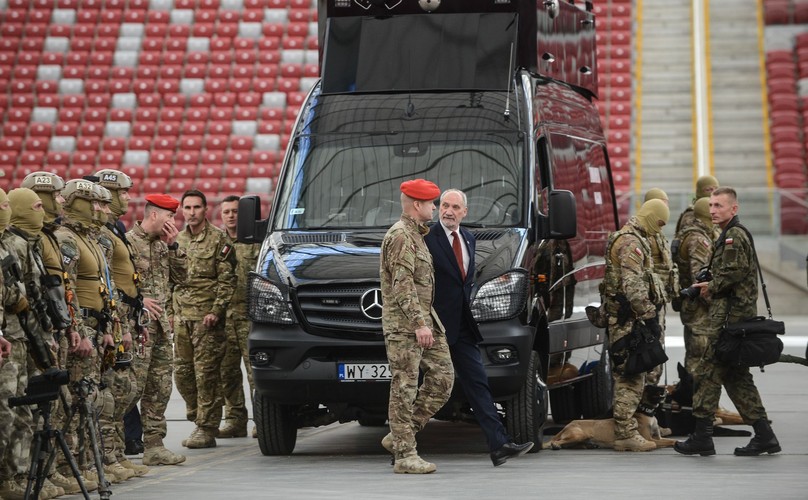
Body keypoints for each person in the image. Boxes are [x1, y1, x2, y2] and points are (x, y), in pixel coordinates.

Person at [423, 189, 533, 466]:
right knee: (424, 387)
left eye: (455, 207)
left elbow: (465, 285)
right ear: (437, 209)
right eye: (444, 205)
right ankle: (402, 446)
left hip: (462, 327)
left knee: (478, 383)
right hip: (434, 327)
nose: (448, 211)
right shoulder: (426, 239)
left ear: (464, 212)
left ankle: (499, 445)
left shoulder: (469, 238)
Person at [674, 187, 780, 457]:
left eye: (719, 205)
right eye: (710, 205)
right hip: (732, 317)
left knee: (708, 373)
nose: (712, 210)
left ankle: (702, 437)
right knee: (736, 377)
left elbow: (733, 272)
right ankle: (765, 436)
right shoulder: (729, 234)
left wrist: (709, 287)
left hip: (729, 319)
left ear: (734, 208)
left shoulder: (733, 236)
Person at [379, 179, 454, 474]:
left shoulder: (416, 235)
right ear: (417, 205)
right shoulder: (401, 236)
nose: (435, 208)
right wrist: (418, 323)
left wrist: (425, 322)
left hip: (424, 322)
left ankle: (400, 434)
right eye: (432, 203)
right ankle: (405, 456)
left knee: (443, 378)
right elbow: (403, 284)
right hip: (407, 325)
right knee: (404, 387)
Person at [602, 199, 669, 452]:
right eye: (659, 223)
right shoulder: (631, 242)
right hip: (628, 320)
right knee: (630, 376)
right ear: (651, 216)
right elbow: (632, 284)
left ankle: (629, 429)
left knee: (632, 374)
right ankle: (625, 434)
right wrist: (649, 315)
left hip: (628, 318)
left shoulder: (631, 237)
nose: (659, 230)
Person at [127, 194, 188, 465]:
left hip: (161, 328)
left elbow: (182, 278)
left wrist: (174, 247)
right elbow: (117, 286)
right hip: (136, 328)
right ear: (154, 215)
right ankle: (115, 449)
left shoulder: (165, 247)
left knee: (159, 388)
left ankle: (154, 445)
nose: (173, 221)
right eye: (169, 216)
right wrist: (139, 300)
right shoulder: (127, 243)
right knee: (131, 388)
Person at [174, 190, 236, 449]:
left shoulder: (218, 239)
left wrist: (216, 311)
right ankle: (197, 414)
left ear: (205, 209)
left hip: (206, 320)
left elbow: (227, 280)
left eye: (196, 207)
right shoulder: (176, 240)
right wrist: (170, 312)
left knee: (206, 375)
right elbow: (170, 280)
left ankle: (207, 427)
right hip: (181, 318)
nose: (191, 212)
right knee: (183, 374)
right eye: (187, 207)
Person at [217, 195, 260, 439]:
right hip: (224, 317)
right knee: (228, 372)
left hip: (249, 316)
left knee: (255, 373)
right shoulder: (217, 241)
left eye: (235, 211)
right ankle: (234, 419)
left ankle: (260, 419)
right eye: (226, 212)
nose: (231, 216)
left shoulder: (255, 242)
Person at [672, 197, 714, 375]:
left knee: (696, 355)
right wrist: (716, 303)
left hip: (692, 307)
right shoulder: (698, 239)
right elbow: (700, 280)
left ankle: (694, 399)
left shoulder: (688, 232)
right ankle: (696, 401)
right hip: (698, 309)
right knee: (699, 358)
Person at [642, 188, 677, 387]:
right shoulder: (645, 234)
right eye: (664, 202)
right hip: (648, 304)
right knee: (650, 353)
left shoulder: (658, 234)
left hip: (659, 301)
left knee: (657, 350)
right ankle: (644, 399)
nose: (667, 207)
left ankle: (650, 398)